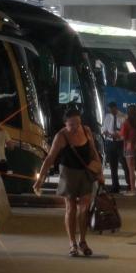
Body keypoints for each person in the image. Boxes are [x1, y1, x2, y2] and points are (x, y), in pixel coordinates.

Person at [33, 108, 102, 258]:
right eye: (71, 124)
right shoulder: (61, 136)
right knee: (70, 208)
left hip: (86, 173)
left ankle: (83, 241)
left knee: (84, 209)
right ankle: (72, 243)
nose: (75, 127)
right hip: (68, 174)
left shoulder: (86, 130)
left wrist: (100, 171)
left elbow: (93, 151)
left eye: (77, 123)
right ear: (65, 124)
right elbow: (50, 158)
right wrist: (40, 180)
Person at [101, 102, 129, 194]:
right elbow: (103, 129)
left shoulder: (123, 117)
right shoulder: (107, 117)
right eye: (110, 110)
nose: (111, 112)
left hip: (120, 143)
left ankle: (129, 184)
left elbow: (126, 132)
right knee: (113, 166)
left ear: (116, 108)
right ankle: (115, 186)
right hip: (110, 142)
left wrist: (119, 136)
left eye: (113, 110)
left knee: (125, 164)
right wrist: (106, 133)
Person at [120, 105, 136, 197]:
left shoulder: (126, 123)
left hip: (129, 147)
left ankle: (132, 190)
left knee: (131, 169)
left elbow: (123, 137)